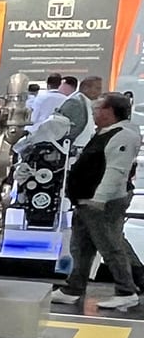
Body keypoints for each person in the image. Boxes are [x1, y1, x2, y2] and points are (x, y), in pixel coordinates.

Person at [51, 93, 142, 311]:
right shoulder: (104, 133)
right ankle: (74, 288)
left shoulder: (123, 135)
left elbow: (116, 172)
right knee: (81, 247)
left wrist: (99, 199)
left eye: (97, 109)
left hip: (101, 203)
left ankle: (126, 291)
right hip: (86, 201)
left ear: (110, 111)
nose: (94, 114)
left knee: (110, 246)